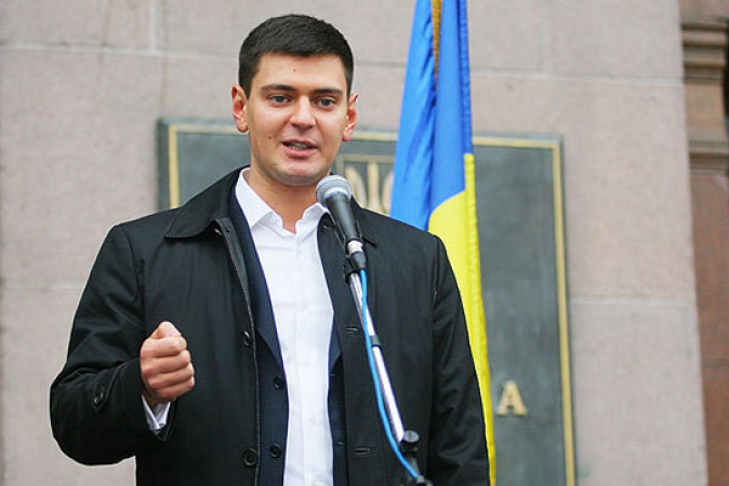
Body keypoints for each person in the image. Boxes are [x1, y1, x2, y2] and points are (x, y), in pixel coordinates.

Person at [50, 13, 489, 486]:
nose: (303, 118)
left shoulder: (418, 260)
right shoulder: (145, 251)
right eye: (280, 97)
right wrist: (141, 388)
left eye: (324, 101)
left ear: (349, 117)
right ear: (241, 108)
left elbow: (459, 446)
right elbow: (74, 422)